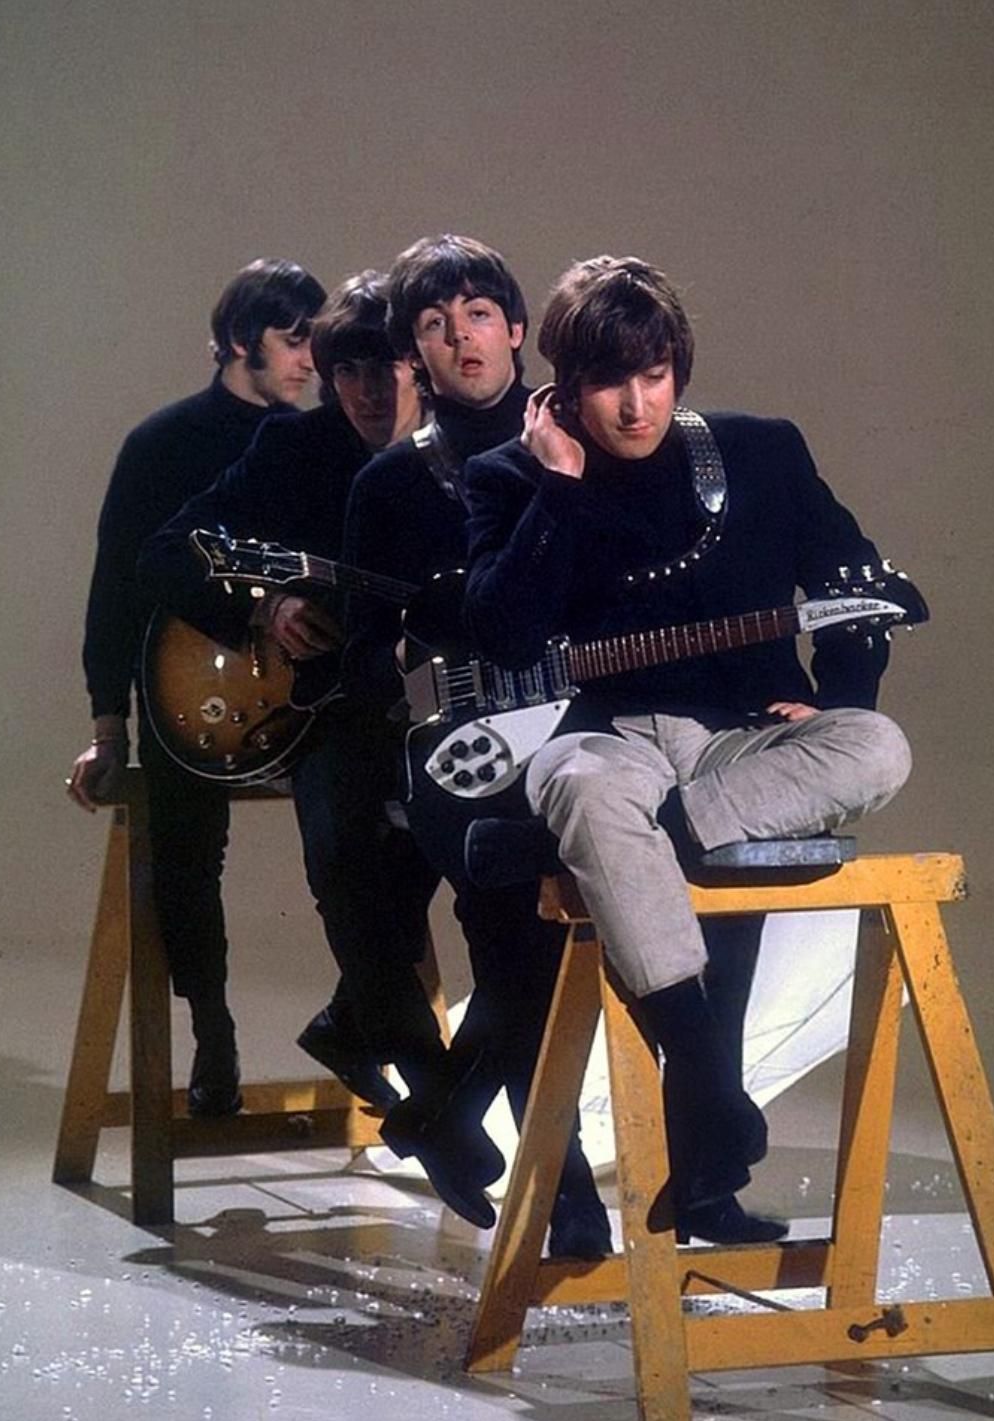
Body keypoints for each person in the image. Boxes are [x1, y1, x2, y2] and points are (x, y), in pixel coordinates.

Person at [462, 256, 914, 1238]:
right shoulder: (508, 478)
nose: (636, 405)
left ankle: (633, 858)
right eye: (608, 382)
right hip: (606, 742)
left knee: (878, 746)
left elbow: (856, 584)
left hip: (737, 751)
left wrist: (833, 698)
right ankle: (709, 1086)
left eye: (655, 375)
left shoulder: (760, 452)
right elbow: (501, 636)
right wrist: (558, 489)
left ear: (679, 369)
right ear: (564, 386)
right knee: (587, 791)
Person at [138, 272, 462, 1147]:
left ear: (420, 363)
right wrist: (264, 609)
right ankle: (429, 1078)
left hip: (429, 707)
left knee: (456, 825)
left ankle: (356, 1026)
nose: (369, 388)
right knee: (345, 838)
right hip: (322, 711)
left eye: (387, 364)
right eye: (347, 369)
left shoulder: (456, 455)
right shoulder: (293, 447)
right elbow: (165, 551)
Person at [342, 235, 611, 1251]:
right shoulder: (388, 485)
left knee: (536, 968)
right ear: (413, 350)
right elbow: (363, 659)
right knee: (513, 950)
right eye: (433, 323)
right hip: (461, 754)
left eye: (478, 314)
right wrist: (417, 657)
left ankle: (446, 1113)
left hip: (587, 733)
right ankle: (568, 1198)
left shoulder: (583, 441)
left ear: (514, 325)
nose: (461, 337)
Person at [67, 258, 326, 1117]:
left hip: (301, 691)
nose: (310, 361)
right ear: (243, 340)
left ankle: (372, 1022)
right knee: (184, 846)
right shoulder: (160, 444)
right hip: (184, 691)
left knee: (364, 820)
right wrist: (109, 728)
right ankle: (212, 1028)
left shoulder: (310, 444)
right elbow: (115, 589)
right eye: (295, 341)